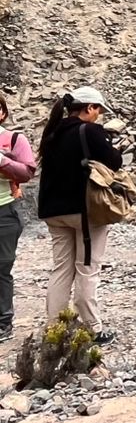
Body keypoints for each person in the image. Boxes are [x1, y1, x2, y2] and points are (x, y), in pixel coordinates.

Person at [34, 87, 121, 344]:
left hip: (54, 211)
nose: (99, 115)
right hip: (85, 210)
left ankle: (55, 328)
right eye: (99, 110)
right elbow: (114, 161)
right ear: (89, 108)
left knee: (61, 269)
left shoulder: (52, 133)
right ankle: (92, 327)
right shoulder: (90, 131)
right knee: (87, 268)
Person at [0, 93, 39, 339]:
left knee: (1, 268)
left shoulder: (14, 139)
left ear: (2, 112)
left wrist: (2, 160)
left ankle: (3, 322)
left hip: (5, 211)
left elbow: (27, 172)